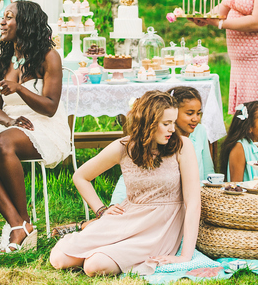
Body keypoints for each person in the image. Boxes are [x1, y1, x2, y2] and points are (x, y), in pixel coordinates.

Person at [50, 91, 201, 277]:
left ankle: (102, 252)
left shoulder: (182, 146)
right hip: (129, 217)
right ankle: (99, 242)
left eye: (173, 122)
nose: (172, 129)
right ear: (149, 122)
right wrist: (101, 210)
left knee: (94, 266)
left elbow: (193, 203)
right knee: (59, 259)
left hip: (160, 226)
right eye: (166, 124)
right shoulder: (123, 147)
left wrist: (186, 255)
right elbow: (80, 177)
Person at [0, 1, 71, 253]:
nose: (2, 22)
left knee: (3, 143)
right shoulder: (2, 60)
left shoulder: (49, 57)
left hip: (44, 125)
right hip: (12, 122)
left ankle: (22, 221)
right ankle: (18, 223)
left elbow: (50, 107)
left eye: (9, 17)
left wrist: (20, 88)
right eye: (2, 17)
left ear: (24, 23)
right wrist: (9, 121)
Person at [108, 86, 213, 207]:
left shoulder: (200, 132)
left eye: (198, 113)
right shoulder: (160, 140)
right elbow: (131, 176)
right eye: (189, 113)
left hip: (195, 200)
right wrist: (115, 203)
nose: (196, 119)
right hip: (166, 203)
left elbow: (208, 170)